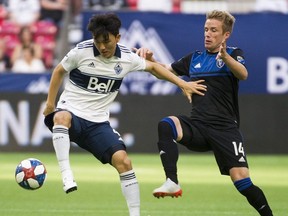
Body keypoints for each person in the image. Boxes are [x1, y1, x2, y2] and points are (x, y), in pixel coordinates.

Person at [42, 13, 206, 216]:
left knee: (124, 162)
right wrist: (50, 105)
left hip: (98, 124)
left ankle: (135, 214)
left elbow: (154, 67)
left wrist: (182, 83)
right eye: (97, 41)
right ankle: (67, 175)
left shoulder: (127, 57)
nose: (102, 47)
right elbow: (59, 71)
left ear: (117, 38)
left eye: (107, 41)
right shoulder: (81, 51)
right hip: (72, 114)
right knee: (61, 117)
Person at [135, 10, 273, 216]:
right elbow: (165, 70)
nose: (207, 34)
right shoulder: (194, 59)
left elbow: (242, 74)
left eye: (213, 30)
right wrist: (151, 59)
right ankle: (172, 181)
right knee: (166, 124)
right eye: (206, 29)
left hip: (225, 130)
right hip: (198, 127)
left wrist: (226, 58)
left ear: (226, 35)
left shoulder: (234, 54)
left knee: (242, 182)